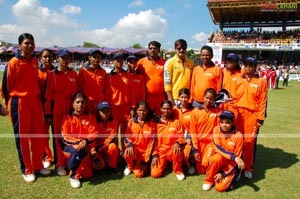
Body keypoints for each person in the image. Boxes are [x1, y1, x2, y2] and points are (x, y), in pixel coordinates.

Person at [1, 33, 50, 183]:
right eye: (26, 43)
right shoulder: (13, 62)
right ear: (20, 45)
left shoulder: (35, 61)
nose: (30, 46)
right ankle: (27, 169)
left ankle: (37, 165)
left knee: (38, 136)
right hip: (19, 102)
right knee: (22, 137)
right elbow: (5, 86)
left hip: (35, 102)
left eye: (32, 43)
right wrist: (6, 104)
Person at [44, 48, 79, 176]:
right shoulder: (52, 75)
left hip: (70, 107)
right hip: (57, 107)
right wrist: (48, 114)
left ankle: (71, 160)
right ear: (57, 59)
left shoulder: (73, 74)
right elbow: (48, 97)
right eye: (63, 58)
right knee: (58, 136)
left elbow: (77, 94)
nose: (65, 60)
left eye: (68, 58)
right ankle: (59, 164)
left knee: (71, 134)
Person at [233, 57, 267, 179]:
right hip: (239, 115)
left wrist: (260, 118)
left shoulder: (261, 81)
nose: (248, 67)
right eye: (246, 65)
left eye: (251, 65)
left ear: (255, 67)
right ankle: (236, 166)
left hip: (253, 115)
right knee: (238, 141)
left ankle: (248, 167)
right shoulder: (238, 81)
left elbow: (263, 100)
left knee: (249, 143)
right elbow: (235, 99)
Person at [61, 92, 99, 188]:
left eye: (83, 102)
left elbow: (94, 133)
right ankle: (73, 176)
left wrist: (86, 141)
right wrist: (79, 142)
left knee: (88, 174)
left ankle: (73, 164)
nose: (80, 104)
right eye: (77, 102)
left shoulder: (91, 117)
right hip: (70, 148)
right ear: (72, 104)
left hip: (87, 147)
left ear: (86, 104)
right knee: (78, 150)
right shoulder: (66, 118)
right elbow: (65, 137)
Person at [202, 110, 244, 192]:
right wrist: (234, 157)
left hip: (232, 164)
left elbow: (237, 159)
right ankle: (209, 180)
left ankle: (235, 175)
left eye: (227, 123)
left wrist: (223, 174)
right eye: (222, 122)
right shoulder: (216, 130)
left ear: (232, 123)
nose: (224, 125)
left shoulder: (238, 136)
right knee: (210, 161)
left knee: (220, 188)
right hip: (223, 157)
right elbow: (218, 148)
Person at [105, 52, 136, 152]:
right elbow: (107, 94)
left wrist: (133, 107)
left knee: (126, 131)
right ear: (113, 62)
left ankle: (125, 151)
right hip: (113, 108)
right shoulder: (109, 76)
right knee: (112, 132)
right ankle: (113, 152)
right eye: (117, 60)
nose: (119, 62)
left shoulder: (128, 75)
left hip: (126, 108)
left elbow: (132, 93)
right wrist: (107, 109)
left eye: (121, 60)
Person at [151, 100, 186, 181]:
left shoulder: (176, 122)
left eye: (168, 109)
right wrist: (155, 155)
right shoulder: (156, 124)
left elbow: (181, 136)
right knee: (155, 174)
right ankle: (164, 163)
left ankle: (178, 170)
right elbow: (153, 142)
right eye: (164, 109)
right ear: (160, 109)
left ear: (171, 110)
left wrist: (177, 142)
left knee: (176, 150)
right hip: (161, 151)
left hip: (172, 149)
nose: (166, 111)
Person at [190, 88, 220, 175]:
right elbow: (193, 132)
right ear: (203, 97)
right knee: (201, 171)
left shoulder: (217, 112)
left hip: (211, 143)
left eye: (211, 99)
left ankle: (217, 165)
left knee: (205, 163)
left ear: (214, 100)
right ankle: (191, 163)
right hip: (199, 143)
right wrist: (195, 149)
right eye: (207, 98)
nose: (209, 100)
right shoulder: (195, 112)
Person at [123, 101, 157, 178]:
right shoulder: (131, 122)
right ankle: (129, 166)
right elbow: (126, 136)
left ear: (148, 111)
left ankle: (144, 165)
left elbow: (152, 143)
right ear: (136, 111)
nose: (142, 112)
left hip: (146, 153)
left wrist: (146, 160)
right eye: (140, 110)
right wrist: (130, 145)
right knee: (128, 151)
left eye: (144, 110)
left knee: (140, 174)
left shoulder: (152, 123)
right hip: (135, 151)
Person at [137, 41, 166, 116]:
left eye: (155, 48)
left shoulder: (164, 62)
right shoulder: (142, 62)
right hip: (147, 97)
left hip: (160, 97)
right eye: (150, 48)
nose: (152, 50)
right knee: (148, 119)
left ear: (159, 50)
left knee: (160, 118)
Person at [38, 48, 55, 169]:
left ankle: (62, 157)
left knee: (59, 134)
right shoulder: (36, 72)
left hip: (58, 106)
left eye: (50, 56)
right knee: (44, 134)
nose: (48, 59)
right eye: (45, 57)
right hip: (42, 107)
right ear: (40, 58)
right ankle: (47, 157)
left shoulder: (57, 72)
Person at [164, 39, 194, 105]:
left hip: (187, 98)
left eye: (184, 48)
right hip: (175, 98)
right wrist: (170, 99)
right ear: (175, 49)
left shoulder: (191, 63)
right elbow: (167, 82)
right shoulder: (169, 62)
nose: (181, 50)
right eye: (179, 48)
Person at [91, 101, 119, 173]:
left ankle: (112, 167)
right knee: (99, 167)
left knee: (113, 146)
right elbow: (92, 138)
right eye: (103, 111)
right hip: (96, 148)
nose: (106, 113)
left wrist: (101, 147)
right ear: (98, 112)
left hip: (106, 147)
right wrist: (94, 151)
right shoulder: (94, 122)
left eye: (107, 111)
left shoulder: (114, 121)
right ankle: (101, 161)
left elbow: (112, 138)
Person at [172, 88, 195, 174]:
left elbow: (195, 127)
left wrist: (189, 137)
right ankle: (178, 164)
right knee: (175, 151)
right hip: (177, 137)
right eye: (181, 97)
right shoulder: (175, 109)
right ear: (178, 97)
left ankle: (190, 164)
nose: (183, 99)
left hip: (189, 137)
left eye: (186, 97)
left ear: (189, 98)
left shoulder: (193, 110)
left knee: (186, 153)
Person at [78, 48, 107, 115]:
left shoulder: (103, 72)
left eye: (98, 57)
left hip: (100, 103)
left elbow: (105, 88)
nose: (96, 59)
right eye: (94, 57)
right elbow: (80, 88)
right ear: (89, 58)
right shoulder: (83, 71)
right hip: (88, 103)